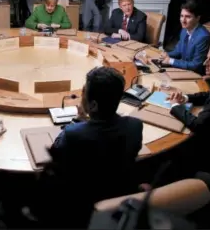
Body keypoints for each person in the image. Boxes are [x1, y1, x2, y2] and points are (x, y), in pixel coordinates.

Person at [29, 66, 143, 227]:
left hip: (79, 208)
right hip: (119, 198)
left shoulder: (73, 134)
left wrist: (79, 118)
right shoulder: (135, 126)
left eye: (84, 92)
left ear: (94, 105)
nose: (82, 95)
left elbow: (55, 153)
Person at [160, 2, 210, 75]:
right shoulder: (184, 30)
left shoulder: (203, 37)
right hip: (184, 69)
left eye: (188, 17)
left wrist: (170, 61)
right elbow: (178, 51)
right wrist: (165, 55)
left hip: (195, 74)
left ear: (197, 18)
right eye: (181, 16)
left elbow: (196, 65)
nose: (183, 20)